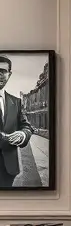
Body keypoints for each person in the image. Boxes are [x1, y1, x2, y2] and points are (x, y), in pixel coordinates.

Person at [0, 55, 34, 188]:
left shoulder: (16, 102)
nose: (0, 74)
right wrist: (4, 137)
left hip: (8, 168)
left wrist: (23, 134)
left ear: (9, 74)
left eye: (3, 71)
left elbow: (26, 126)